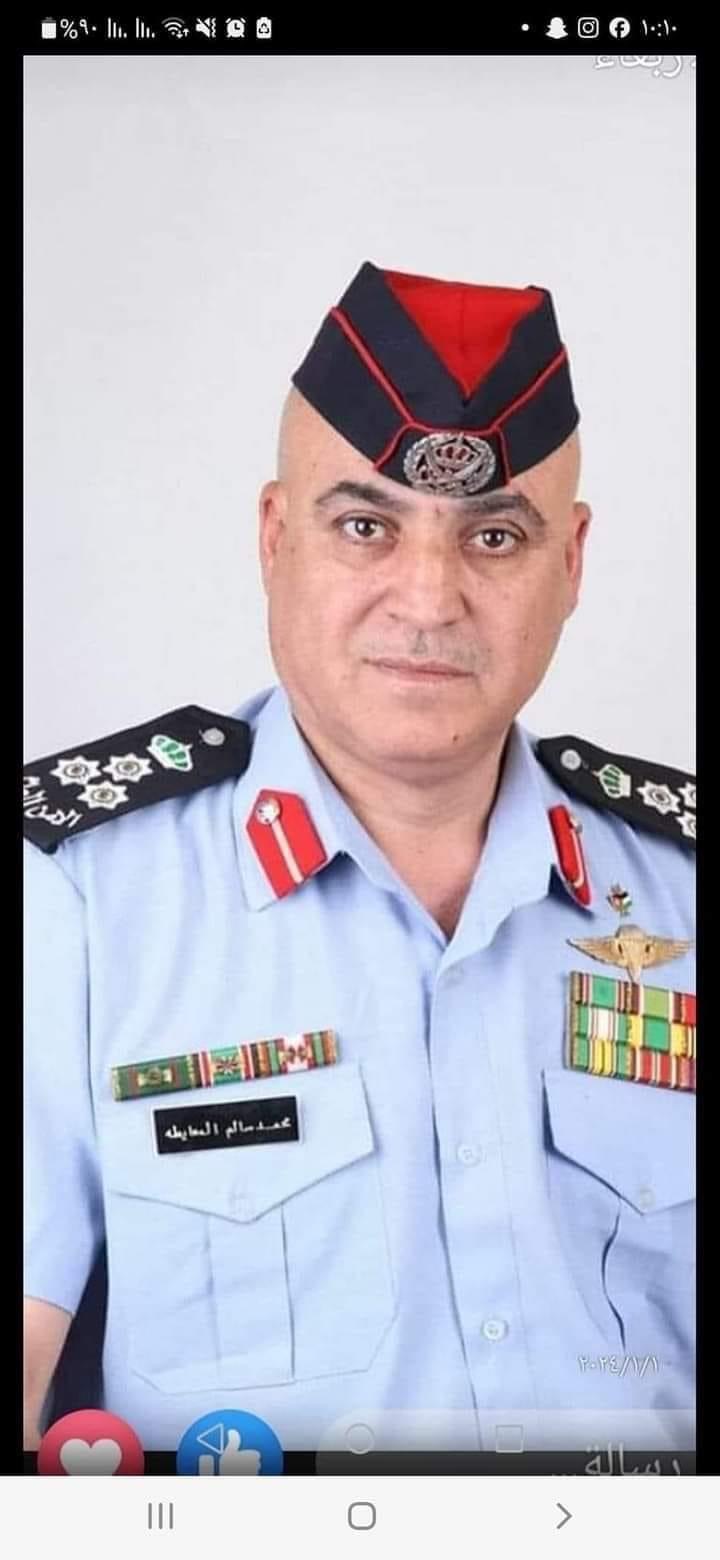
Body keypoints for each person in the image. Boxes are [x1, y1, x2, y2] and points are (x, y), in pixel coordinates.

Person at [23, 261, 695, 1458]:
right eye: (366, 526)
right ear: (276, 537)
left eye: (496, 535)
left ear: (573, 565)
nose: (428, 600)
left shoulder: (682, 891)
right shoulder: (72, 893)